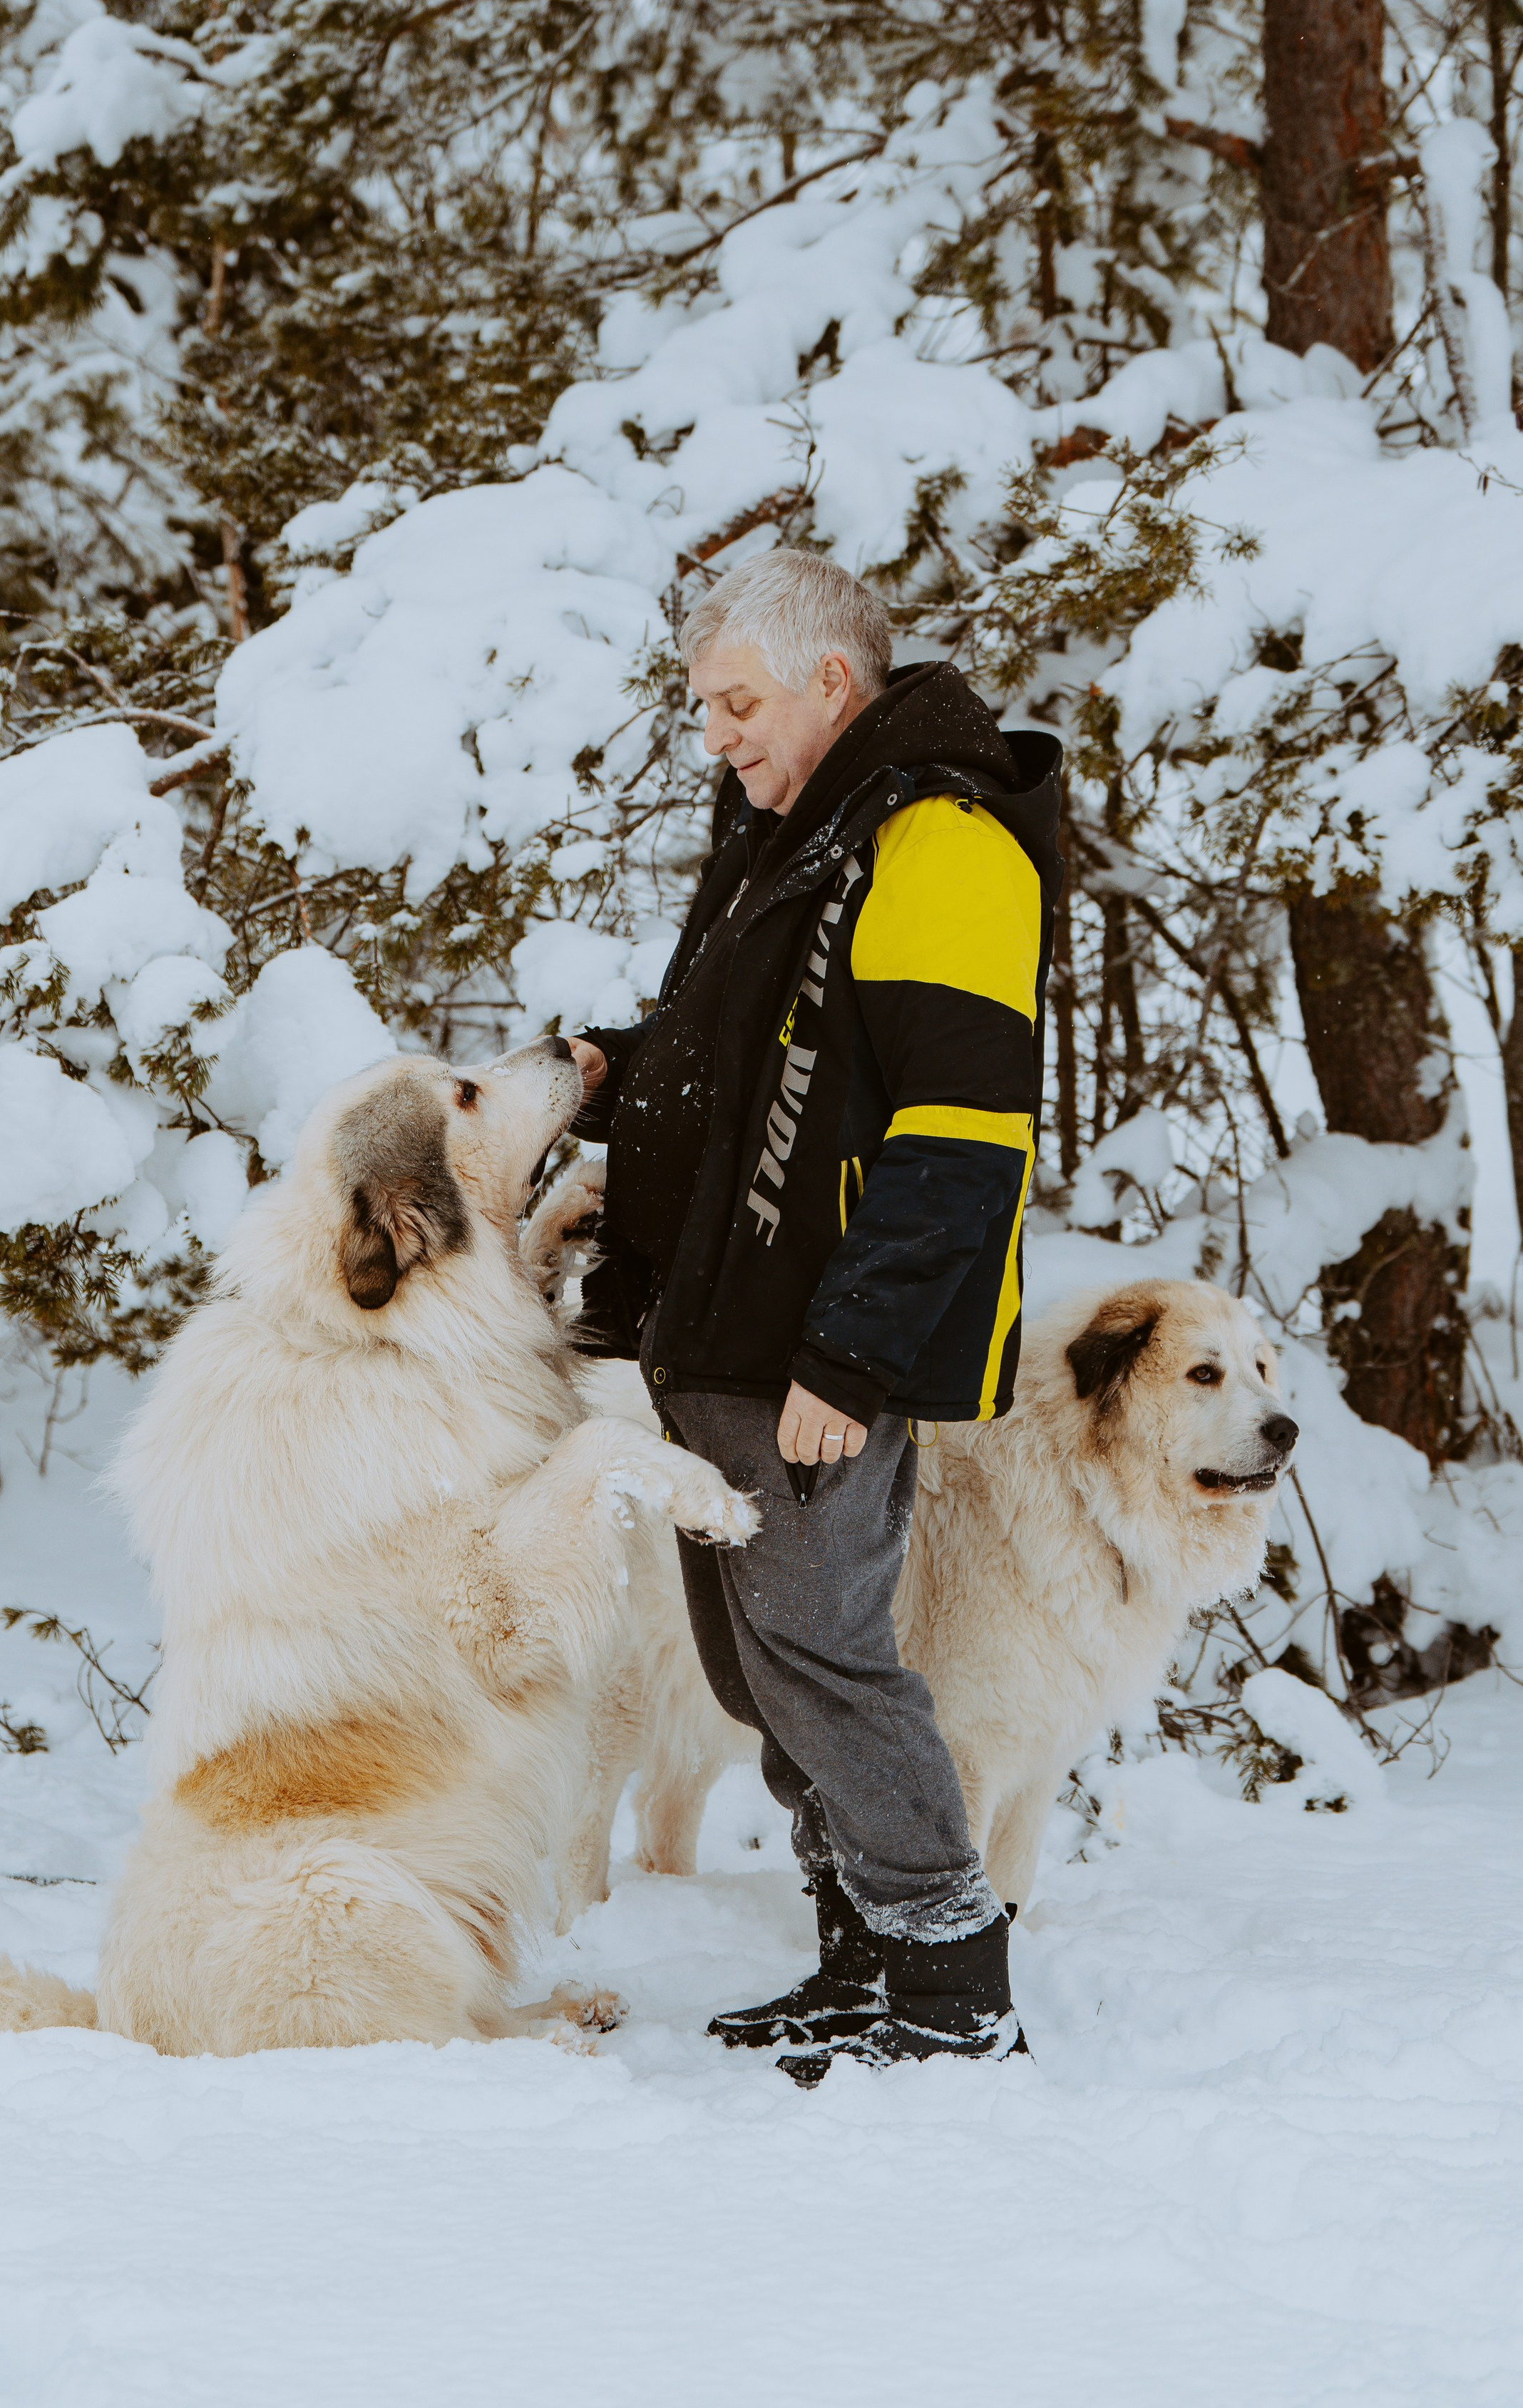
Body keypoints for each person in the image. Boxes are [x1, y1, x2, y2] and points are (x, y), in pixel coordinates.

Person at [565, 549, 1062, 2085]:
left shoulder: (939, 845)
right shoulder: (803, 834)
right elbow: (760, 1059)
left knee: (826, 1660)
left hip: (809, 1349)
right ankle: (860, 1958)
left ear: (831, 680)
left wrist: (852, 1357)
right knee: (755, 1666)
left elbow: (960, 1135)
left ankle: (950, 1983)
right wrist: (621, 1066)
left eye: (737, 701)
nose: (715, 733)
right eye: (705, 706)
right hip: (723, 1327)